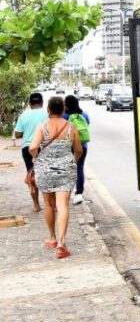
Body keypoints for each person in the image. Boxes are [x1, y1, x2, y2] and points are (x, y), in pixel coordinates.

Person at [29, 96, 83, 259]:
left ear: (48, 110)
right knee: (63, 204)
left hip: (45, 169)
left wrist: (36, 158)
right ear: (63, 110)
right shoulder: (70, 126)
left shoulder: (42, 126)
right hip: (66, 169)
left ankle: (52, 238)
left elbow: (32, 147)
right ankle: (62, 242)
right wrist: (72, 161)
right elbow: (79, 150)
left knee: (48, 204)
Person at [14, 92, 46, 212]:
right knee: (46, 174)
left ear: (29, 103)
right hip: (45, 147)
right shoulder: (47, 114)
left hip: (28, 148)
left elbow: (17, 134)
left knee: (32, 175)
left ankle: (36, 205)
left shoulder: (24, 115)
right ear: (42, 103)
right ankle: (51, 204)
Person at [63, 94, 91, 205]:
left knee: (68, 169)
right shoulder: (84, 114)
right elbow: (87, 124)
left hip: (69, 146)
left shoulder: (64, 116)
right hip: (83, 146)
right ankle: (79, 193)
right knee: (79, 168)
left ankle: (66, 193)